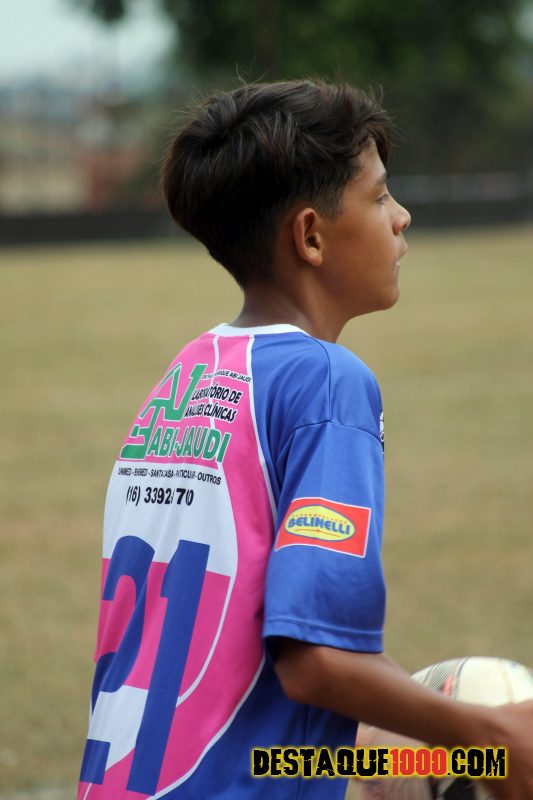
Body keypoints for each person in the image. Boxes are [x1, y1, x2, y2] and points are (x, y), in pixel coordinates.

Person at [78, 80, 533, 800]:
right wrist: (495, 739)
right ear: (311, 235)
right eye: (379, 196)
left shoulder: (188, 375)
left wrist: (418, 763)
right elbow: (314, 662)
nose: (401, 216)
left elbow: (249, 731)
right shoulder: (326, 382)